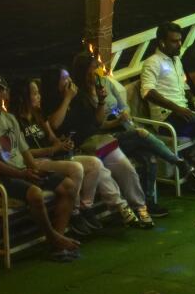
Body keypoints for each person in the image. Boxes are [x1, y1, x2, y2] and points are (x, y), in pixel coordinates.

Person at [0, 75, 81, 261]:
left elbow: (24, 150)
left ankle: (57, 246)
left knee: (68, 187)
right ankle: (54, 238)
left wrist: (34, 169)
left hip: (21, 172)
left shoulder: (9, 118)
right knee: (35, 193)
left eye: (0, 90)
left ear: (6, 94)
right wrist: (21, 173)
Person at [10, 76, 130, 236]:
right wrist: (52, 149)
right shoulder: (15, 121)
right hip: (35, 162)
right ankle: (74, 213)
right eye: (34, 93)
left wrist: (63, 142)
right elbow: (23, 153)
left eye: (38, 93)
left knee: (94, 164)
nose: (38, 96)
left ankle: (86, 207)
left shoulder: (39, 115)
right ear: (23, 96)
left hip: (51, 158)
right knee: (76, 168)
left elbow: (53, 138)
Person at [84, 57, 195, 218]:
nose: (97, 71)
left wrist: (125, 113)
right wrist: (111, 115)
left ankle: (148, 204)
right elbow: (96, 125)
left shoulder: (106, 83)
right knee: (140, 133)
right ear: (85, 71)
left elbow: (123, 105)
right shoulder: (84, 95)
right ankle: (177, 161)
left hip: (123, 128)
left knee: (149, 157)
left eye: (98, 67)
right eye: (93, 68)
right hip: (105, 139)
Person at [55, 56, 155, 228]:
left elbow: (97, 122)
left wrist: (101, 101)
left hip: (98, 141)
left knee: (126, 167)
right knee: (102, 172)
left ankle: (140, 207)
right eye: (94, 68)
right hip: (80, 148)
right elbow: (56, 125)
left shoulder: (86, 91)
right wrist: (67, 99)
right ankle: (121, 207)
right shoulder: (66, 97)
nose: (97, 72)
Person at [140, 22, 195, 193]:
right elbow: (147, 92)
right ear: (162, 42)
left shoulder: (176, 60)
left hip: (184, 111)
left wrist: (191, 97)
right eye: (174, 41)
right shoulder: (152, 63)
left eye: (180, 40)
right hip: (168, 118)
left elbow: (183, 85)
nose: (179, 44)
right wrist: (176, 108)